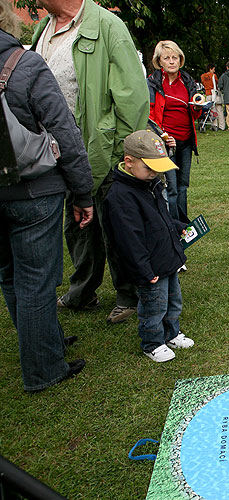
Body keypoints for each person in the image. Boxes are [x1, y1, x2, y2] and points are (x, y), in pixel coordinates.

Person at [31, 0, 149, 324]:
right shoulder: (44, 27)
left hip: (104, 149)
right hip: (60, 153)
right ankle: (82, 291)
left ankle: (129, 296)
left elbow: (132, 97)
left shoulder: (109, 27)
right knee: (78, 225)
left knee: (116, 225)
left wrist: (123, 153)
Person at [0, 7, 92, 391]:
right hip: (33, 189)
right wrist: (82, 191)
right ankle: (43, 368)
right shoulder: (25, 64)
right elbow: (64, 131)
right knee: (36, 281)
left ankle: (42, 341)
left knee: (9, 274)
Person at [102, 131, 194, 362]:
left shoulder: (150, 184)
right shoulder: (120, 197)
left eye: (158, 168)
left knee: (173, 301)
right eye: (149, 168)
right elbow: (127, 241)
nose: (155, 173)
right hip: (150, 267)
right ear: (129, 162)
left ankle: (171, 333)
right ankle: (152, 342)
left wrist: (177, 226)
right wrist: (143, 271)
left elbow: (160, 218)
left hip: (167, 259)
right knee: (153, 306)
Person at [147, 40, 201, 225]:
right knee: (171, 187)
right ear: (159, 61)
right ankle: (172, 226)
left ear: (180, 59)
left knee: (183, 185)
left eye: (175, 57)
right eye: (167, 58)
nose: (171, 61)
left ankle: (183, 225)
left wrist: (197, 107)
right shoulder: (153, 83)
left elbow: (194, 113)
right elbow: (150, 115)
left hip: (186, 141)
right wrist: (162, 135)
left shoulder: (187, 81)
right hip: (166, 143)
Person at [201, 63, 225, 131]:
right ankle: (221, 125)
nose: (214, 71)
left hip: (208, 94)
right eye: (213, 69)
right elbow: (217, 84)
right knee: (219, 110)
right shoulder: (213, 75)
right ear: (211, 69)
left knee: (212, 111)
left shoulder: (202, 76)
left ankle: (214, 125)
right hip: (215, 94)